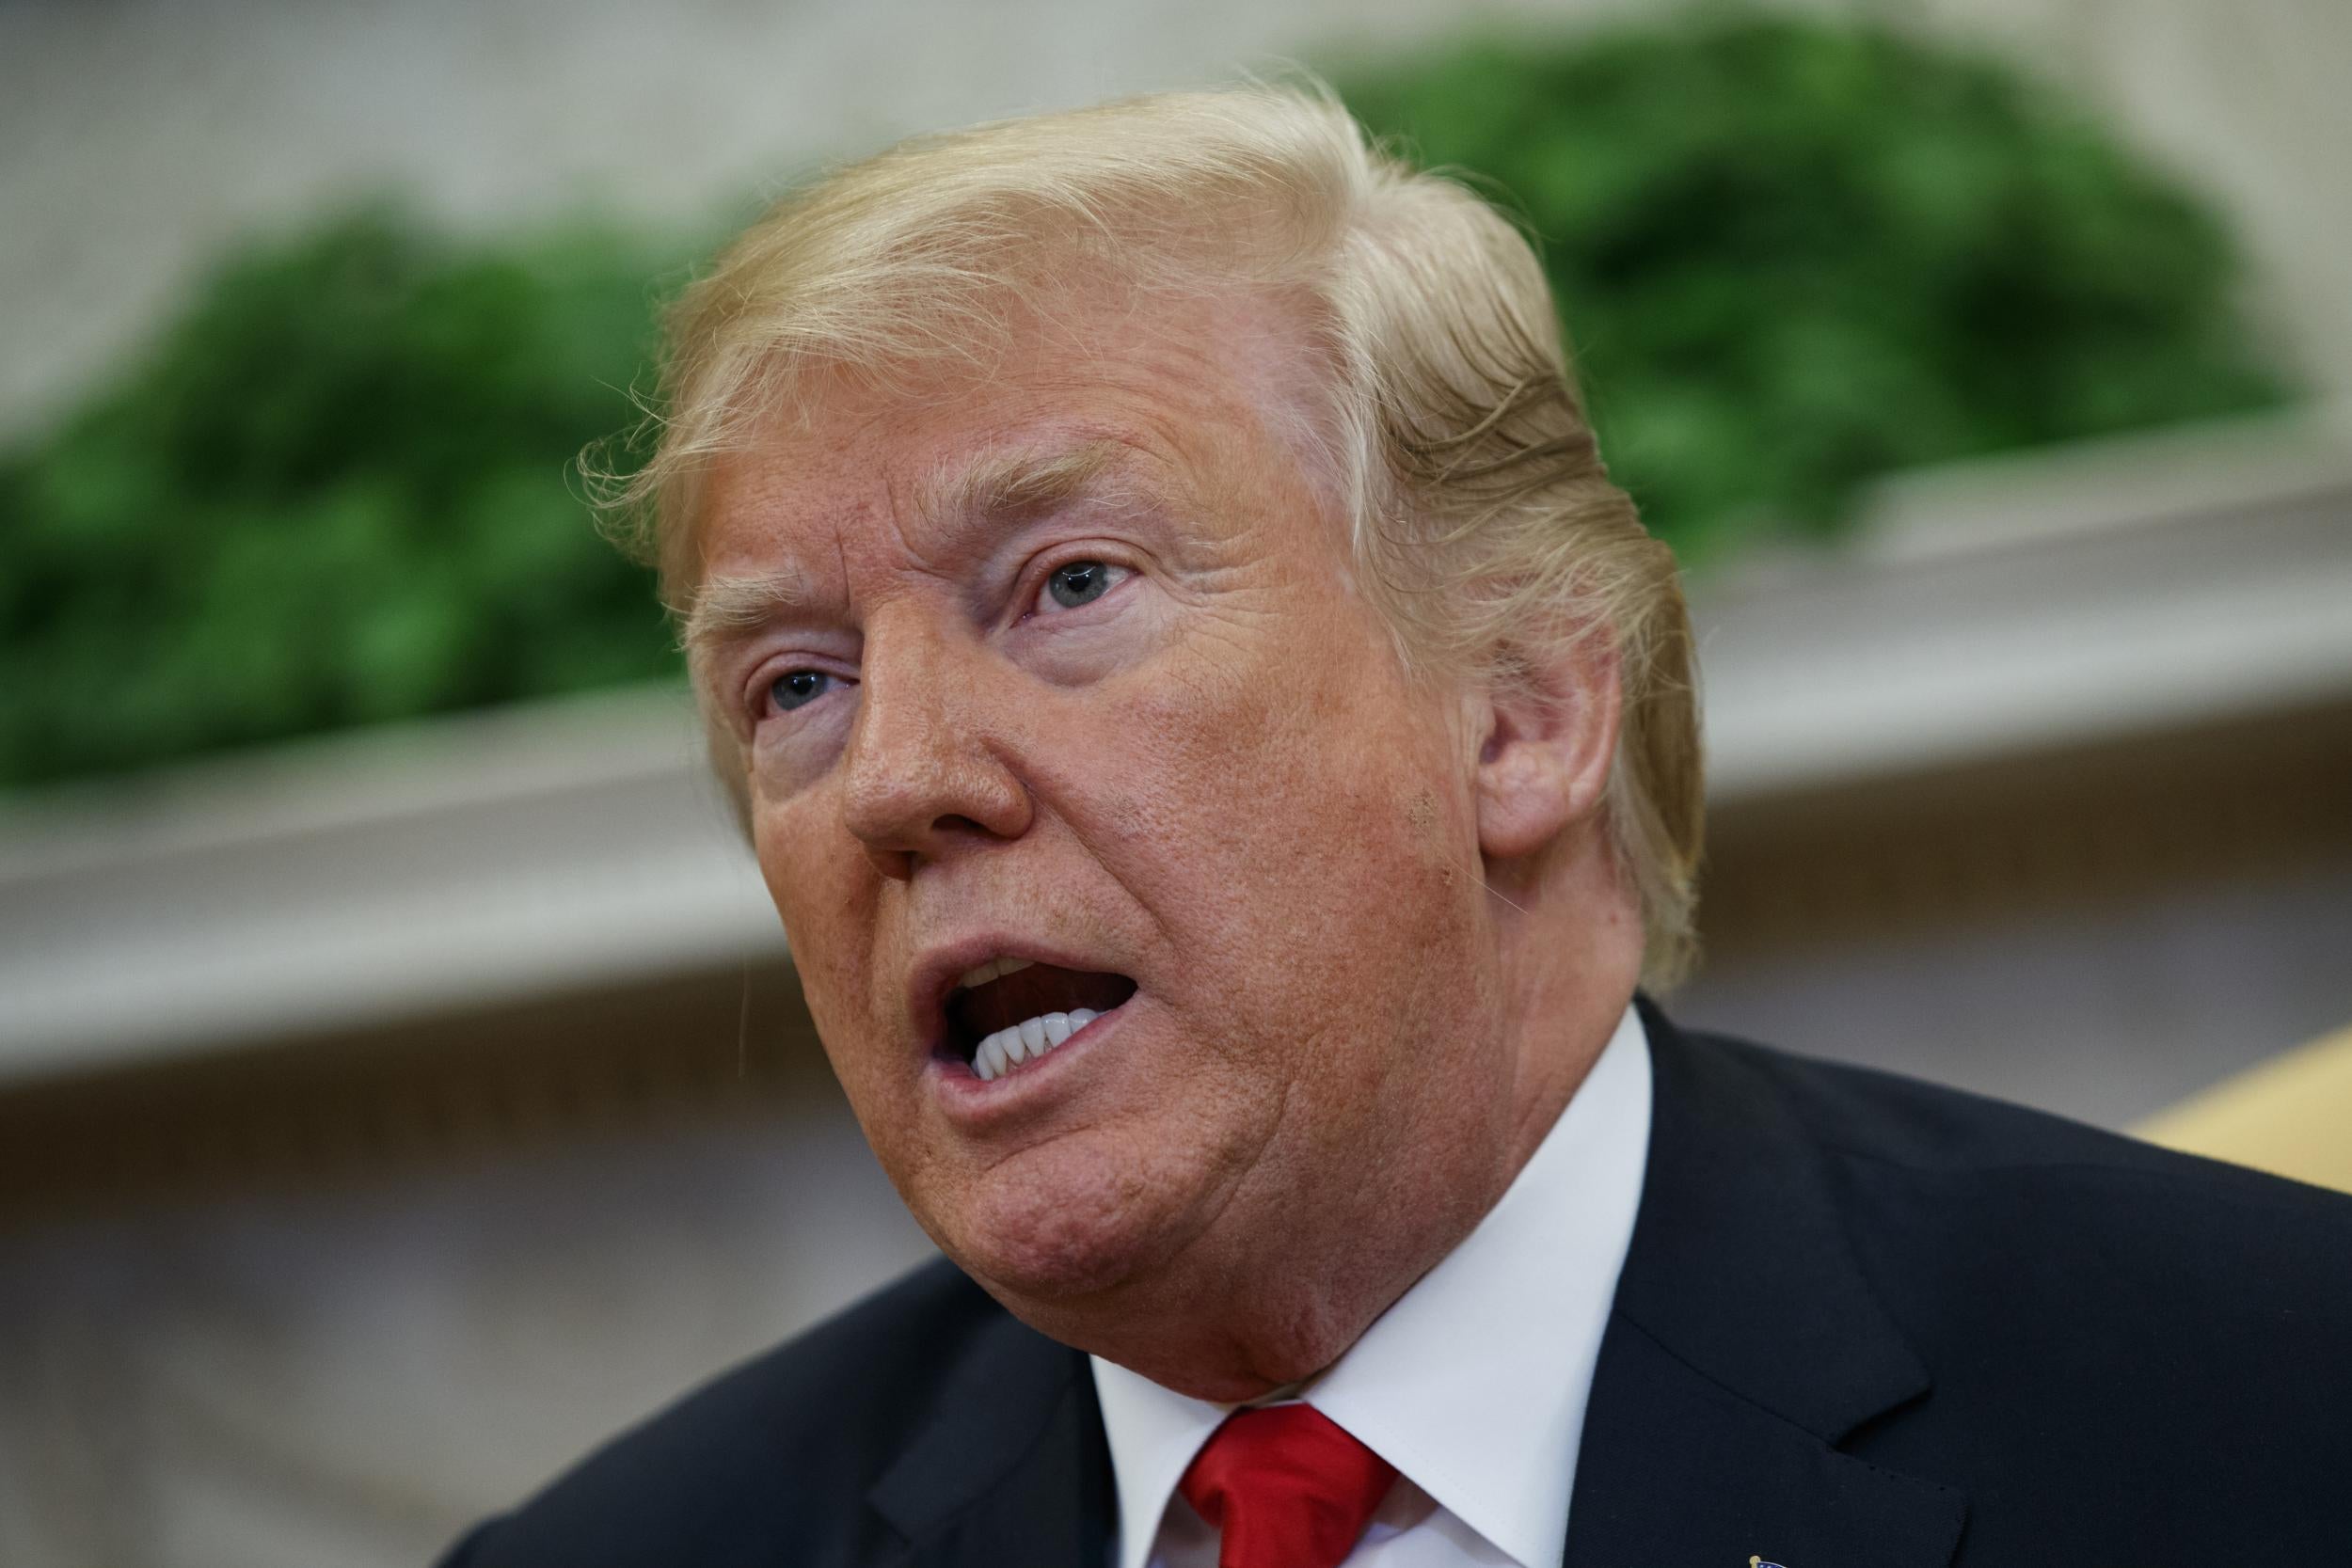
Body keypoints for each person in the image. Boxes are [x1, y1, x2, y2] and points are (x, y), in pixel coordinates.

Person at [440, 86, 2352, 1567]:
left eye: (1070, 584)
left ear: (1520, 710)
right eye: (793, 685)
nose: (894, 779)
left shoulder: (2267, 1407)